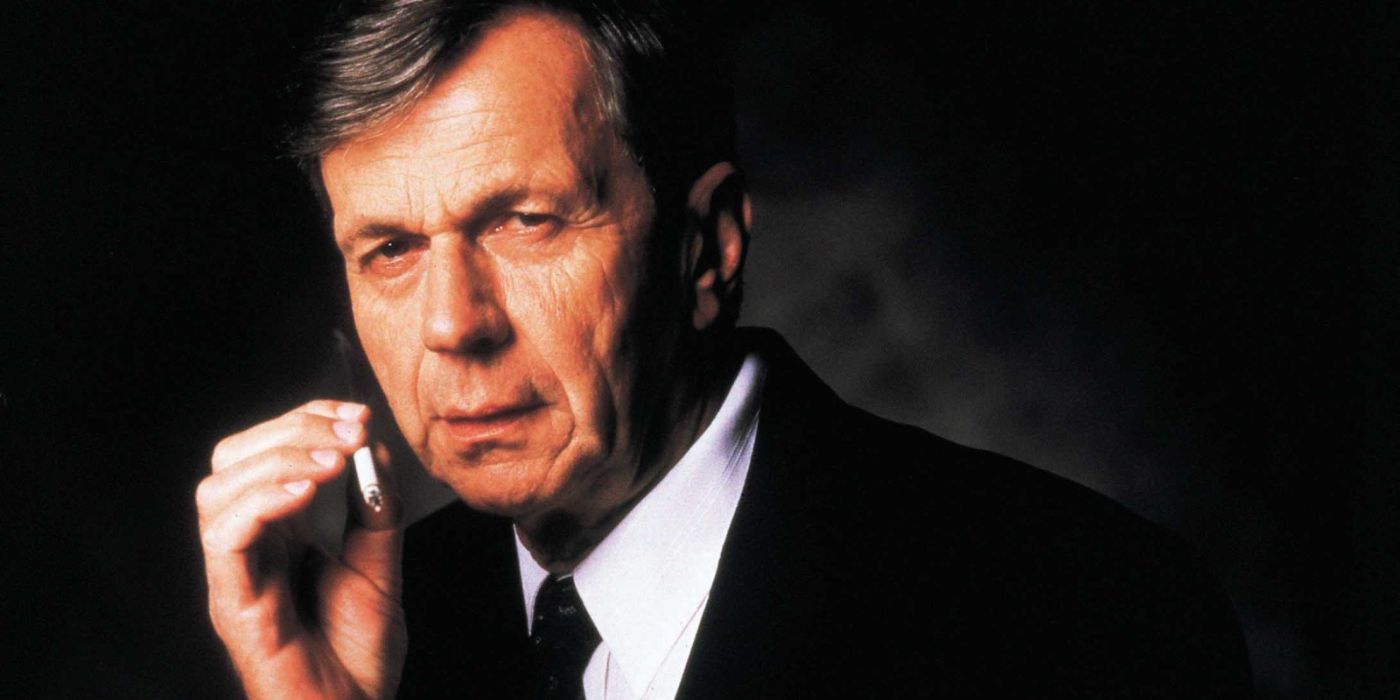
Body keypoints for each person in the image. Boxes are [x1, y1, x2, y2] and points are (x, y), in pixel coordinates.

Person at [195, 1, 1253, 697]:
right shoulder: (365, 640)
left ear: (707, 249)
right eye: (389, 248)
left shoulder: (1083, 613)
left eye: (525, 221)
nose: (452, 324)